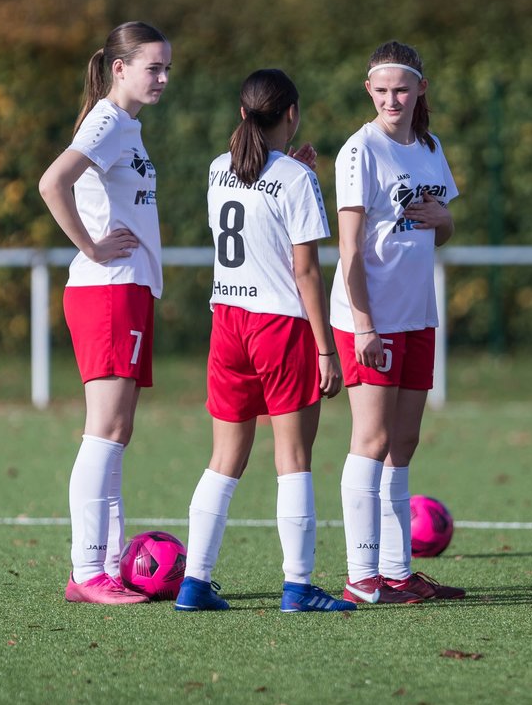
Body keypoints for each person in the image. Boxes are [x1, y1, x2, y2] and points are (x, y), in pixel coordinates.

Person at [174, 69, 353, 614]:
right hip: (279, 327)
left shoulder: (217, 170)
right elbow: (305, 273)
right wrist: (326, 348)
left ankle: (193, 582)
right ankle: (298, 586)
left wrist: (290, 169)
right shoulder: (297, 182)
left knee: (223, 458)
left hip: (227, 320)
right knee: (293, 458)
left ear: (242, 112)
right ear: (292, 114)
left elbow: (255, 203)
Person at [38, 21, 171, 604]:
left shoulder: (127, 127)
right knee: (105, 431)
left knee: (118, 431)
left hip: (127, 289)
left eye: (167, 68)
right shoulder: (109, 121)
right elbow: (52, 183)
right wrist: (90, 247)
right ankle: (88, 571)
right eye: (153, 68)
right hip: (107, 288)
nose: (163, 78)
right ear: (120, 68)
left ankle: (106, 566)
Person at [332, 41, 465, 604]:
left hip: (417, 315)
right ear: (370, 90)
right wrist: (364, 325)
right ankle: (362, 577)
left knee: (404, 442)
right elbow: (350, 251)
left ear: (420, 91)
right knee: (372, 438)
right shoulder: (359, 152)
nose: (392, 98)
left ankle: (396, 570)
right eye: (382, 90)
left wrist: (446, 219)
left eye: (402, 89)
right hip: (373, 318)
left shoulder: (431, 148)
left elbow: (441, 229)